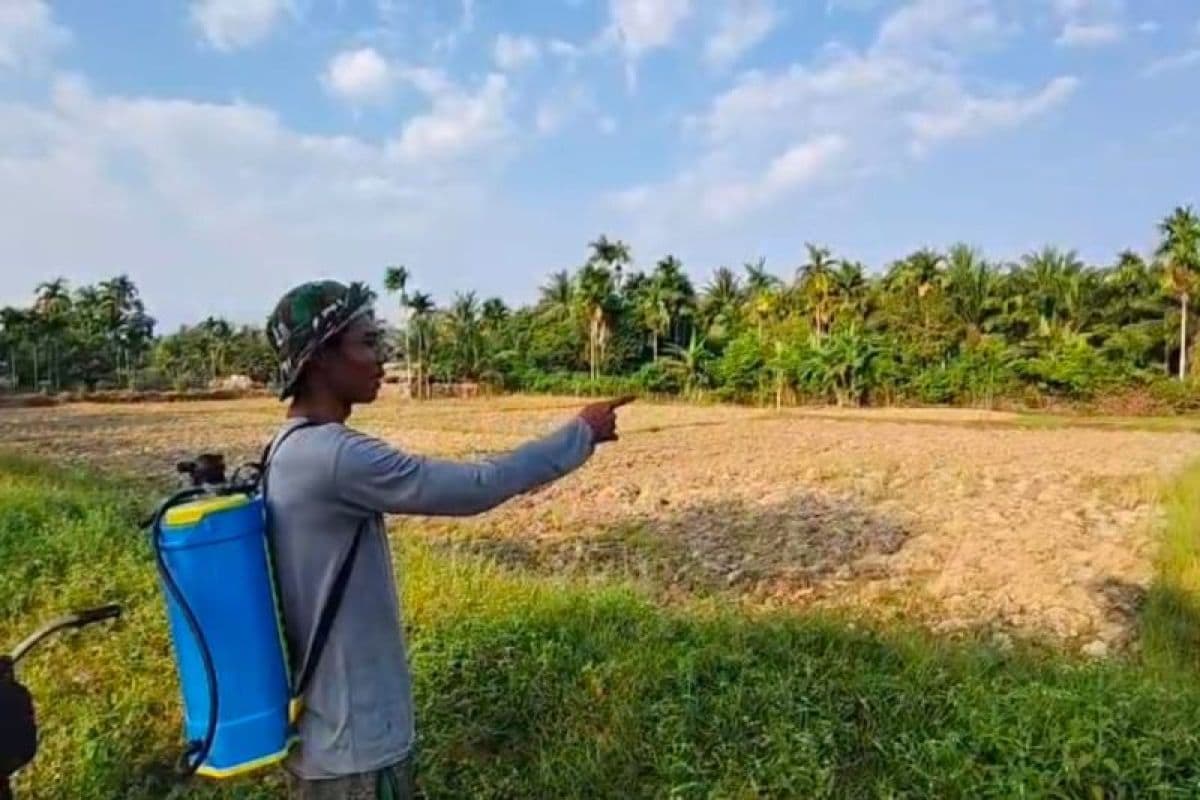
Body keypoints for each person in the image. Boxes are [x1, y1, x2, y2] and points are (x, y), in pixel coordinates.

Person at [263, 280, 628, 800]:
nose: (380, 357)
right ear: (320, 357)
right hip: (356, 751)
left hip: (328, 739)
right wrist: (581, 433)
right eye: (367, 342)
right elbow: (476, 486)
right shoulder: (335, 456)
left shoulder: (285, 449)